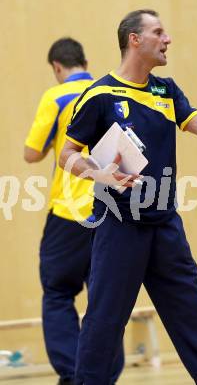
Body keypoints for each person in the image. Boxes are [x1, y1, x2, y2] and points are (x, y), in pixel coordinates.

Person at [60, 9, 197, 385]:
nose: (167, 38)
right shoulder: (101, 95)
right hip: (119, 226)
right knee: (104, 325)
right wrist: (95, 172)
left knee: (194, 321)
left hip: (165, 225)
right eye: (158, 32)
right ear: (134, 40)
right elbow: (66, 154)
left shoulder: (165, 90)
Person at [24, 38, 124, 385]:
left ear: (56, 67)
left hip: (68, 212)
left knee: (58, 293)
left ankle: (73, 374)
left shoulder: (56, 96)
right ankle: (104, 376)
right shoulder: (108, 91)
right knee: (106, 297)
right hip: (110, 209)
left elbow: (32, 153)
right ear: (85, 59)